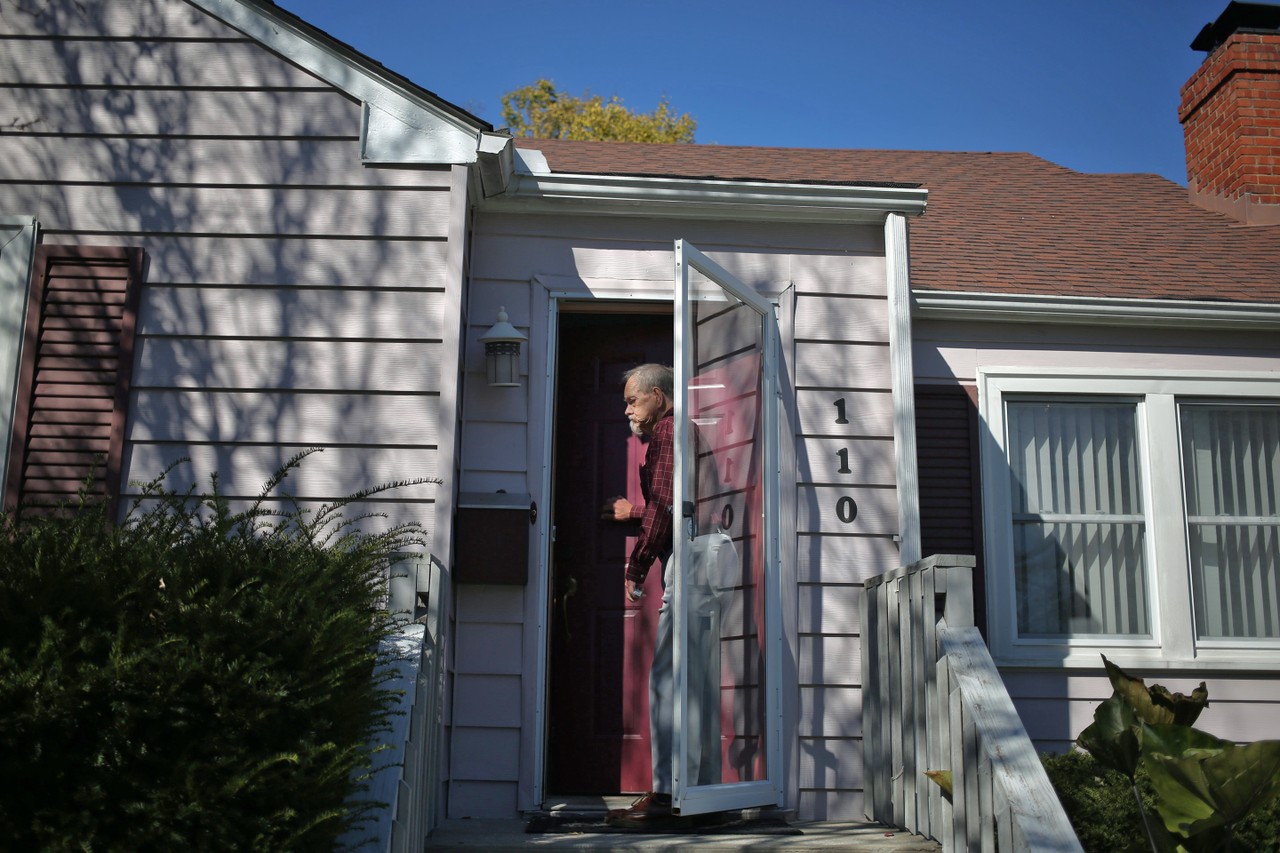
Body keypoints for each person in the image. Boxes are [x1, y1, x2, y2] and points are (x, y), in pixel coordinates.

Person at [603, 363, 679, 827]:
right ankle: (688, 791)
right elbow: (666, 502)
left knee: (668, 679)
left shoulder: (668, 431)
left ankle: (668, 795)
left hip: (691, 558)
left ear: (658, 396)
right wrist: (637, 513)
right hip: (700, 554)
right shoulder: (674, 434)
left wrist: (636, 567)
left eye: (633, 400)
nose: (628, 410)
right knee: (683, 678)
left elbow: (667, 504)